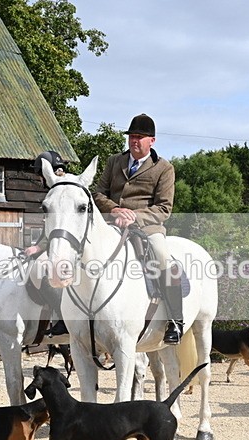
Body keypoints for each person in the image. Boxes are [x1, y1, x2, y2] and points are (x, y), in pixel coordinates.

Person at [92, 113, 183, 344]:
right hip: (111, 223)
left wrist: (133, 216)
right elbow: (98, 193)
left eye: (140, 137)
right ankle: (69, 315)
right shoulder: (115, 161)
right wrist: (114, 210)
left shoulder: (164, 168)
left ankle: (175, 320)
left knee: (164, 259)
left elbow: (164, 208)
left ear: (152, 140)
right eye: (132, 136)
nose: (134, 141)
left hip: (147, 227)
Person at [25, 150, 68, 337]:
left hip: (67, 246)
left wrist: (39, 247)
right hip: (57, 244)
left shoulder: (61, 191)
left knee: (40, 269)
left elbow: (59, 228)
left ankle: (64, 319)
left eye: (39, 174)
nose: (39, 179)